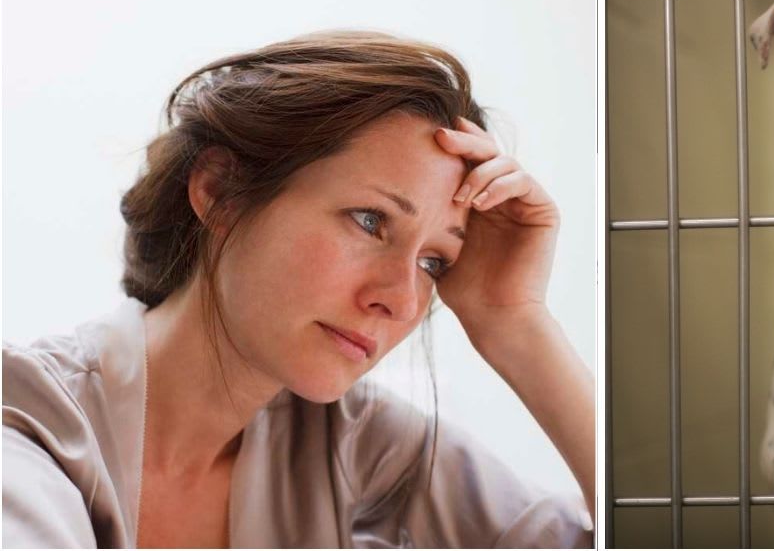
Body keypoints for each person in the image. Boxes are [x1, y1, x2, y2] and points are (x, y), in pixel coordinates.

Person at [2, 31, 595, 548]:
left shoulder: (359, 441)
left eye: (435, 262)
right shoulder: (28, 426)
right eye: (370, 220)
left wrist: (515, 322)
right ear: (221, 191)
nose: (402, 300)